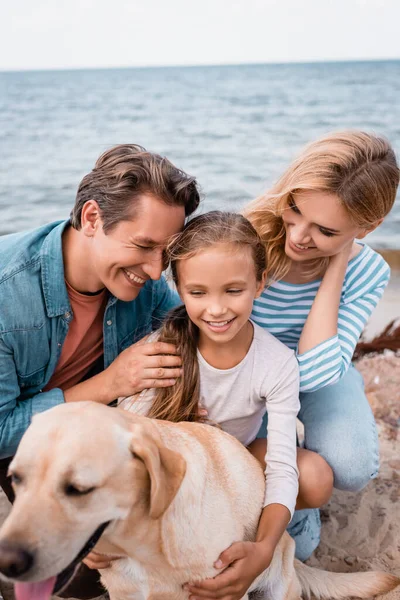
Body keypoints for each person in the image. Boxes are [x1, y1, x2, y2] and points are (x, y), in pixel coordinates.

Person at [87, 212, 333, 600]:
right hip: (176, 481)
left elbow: (283, 468)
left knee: (314, 478)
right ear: (180, 290)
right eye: (198, 293)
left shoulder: (277, 362)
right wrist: (97, 529)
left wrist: (264, 550)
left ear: (260, 283)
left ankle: (287, 531)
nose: (216, 310)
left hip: (237, 473)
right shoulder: (160, 352)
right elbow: (122, 453)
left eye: (233, 290)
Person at [0, 143, 200, 597]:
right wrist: (112, 382)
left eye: (166, 253)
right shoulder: (6, 294)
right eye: (144, 246)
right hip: (16, 445)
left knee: (94, 573)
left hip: (77, 452)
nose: (154, 271)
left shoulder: (144, 285)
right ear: (92, 218)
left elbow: (204, 342)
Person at [243, 130, 400, 561]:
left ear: (366, 228)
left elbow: (314, 373)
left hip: (320, 370)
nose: (298, 237)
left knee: (349, 467)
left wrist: (336, 267)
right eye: (294, 209)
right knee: (303, 546)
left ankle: (305, 489)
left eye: (326, 230)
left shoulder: (366, 271)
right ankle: (299, 484)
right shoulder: (246, 239)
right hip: (247, 374)